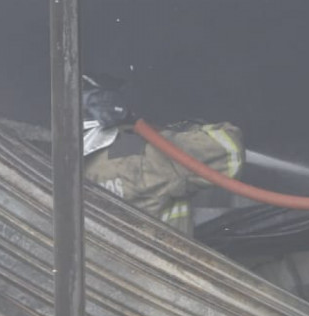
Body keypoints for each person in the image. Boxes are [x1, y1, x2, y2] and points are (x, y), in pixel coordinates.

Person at [80, 74, 244, 235]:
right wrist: (184, 130)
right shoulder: (144, 154)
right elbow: (228, 150)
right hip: (161, 262)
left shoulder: (62, 166)